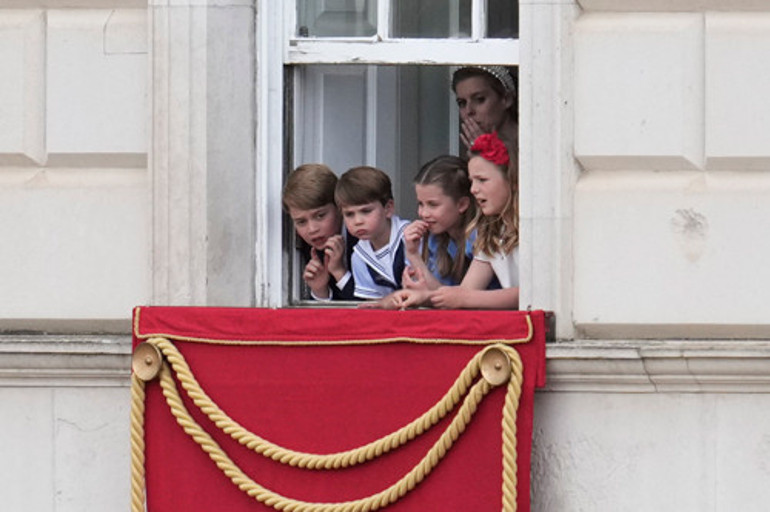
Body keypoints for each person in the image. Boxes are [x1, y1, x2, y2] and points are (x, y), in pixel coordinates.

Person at [394, 131, 519, 310]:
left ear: (513, 180)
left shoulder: (531, 228)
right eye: (472, 182)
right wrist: (419, 293)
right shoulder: (492, 232)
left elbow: (532, 294)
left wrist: (431, 296)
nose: (474, 189)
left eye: (482, 180)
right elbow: (461, 295)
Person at [334, 166, 410, 300]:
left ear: (388, 208)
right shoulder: (358, 257)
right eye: (349, 214)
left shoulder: (411, 236)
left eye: (366, 211)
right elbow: (372, 305)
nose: (357, 221)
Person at [282, 163, 356, 300]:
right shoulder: (310, 247)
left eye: (320, 216)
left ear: (340, 208)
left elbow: (373, 306)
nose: (312, 229)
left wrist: (340, 272)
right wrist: (320, 291)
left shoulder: (365, 237)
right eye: (301, 222)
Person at [452, 65, 518, 154]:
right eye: (462, 103)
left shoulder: (534, 142)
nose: (469, 111)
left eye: (480, 99)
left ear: (506, 99)